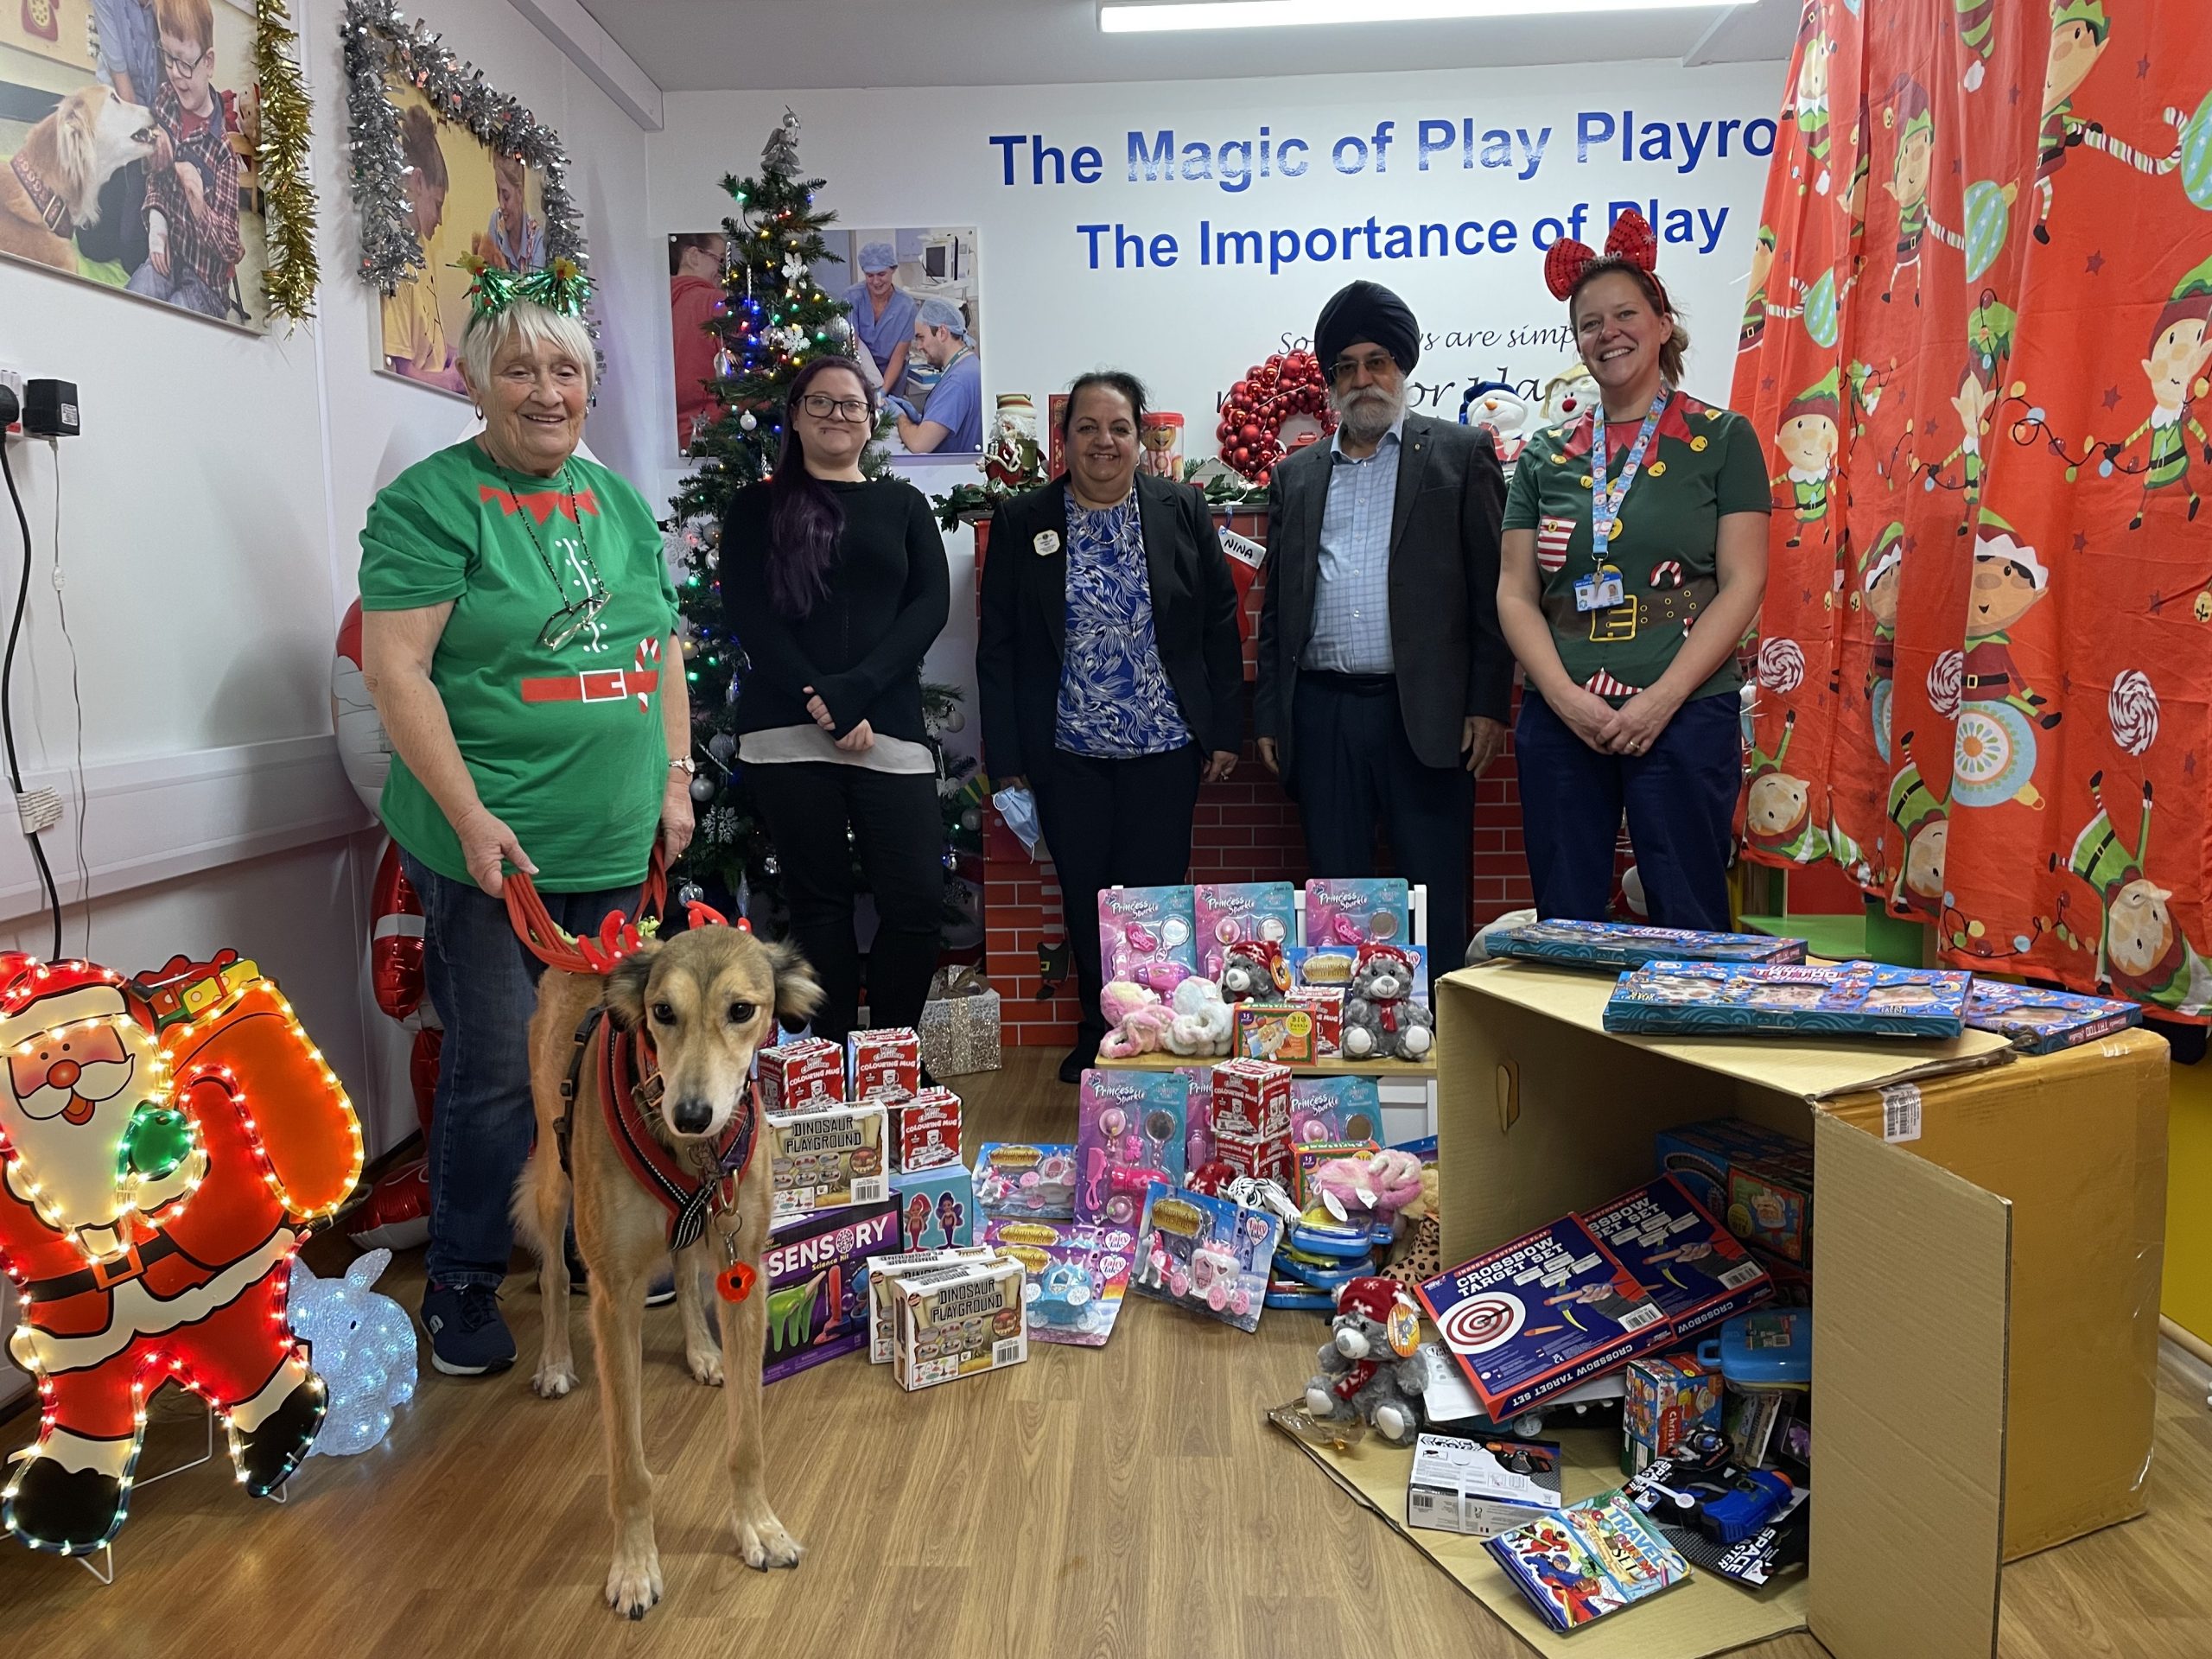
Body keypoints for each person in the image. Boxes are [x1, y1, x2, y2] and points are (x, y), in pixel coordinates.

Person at [358, 264, 692, 1376]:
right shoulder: (428, 503)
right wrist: (467, 816)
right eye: (519, 369)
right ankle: (459, 1284)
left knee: (613, 1064)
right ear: (474, 383)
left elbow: (661, 655)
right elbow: (396, 668)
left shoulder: (619, 504)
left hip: (615, 849)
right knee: (501, 1067)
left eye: (566, 369)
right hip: (496, 856)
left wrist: (676, 782)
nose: (546, 391)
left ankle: (598, 1252)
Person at [1497, 212, 1769, 931]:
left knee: (1690, 918)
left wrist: (1660, 700)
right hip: (1563, 719)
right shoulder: (1544, 454)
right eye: (1590, 323)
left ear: (1660, 323)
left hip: (1687, 710)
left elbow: (1743, 582)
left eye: (1625, 314)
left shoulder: (1723, 439)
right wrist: (1563, 697)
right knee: (1565, 923)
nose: (1607, 332)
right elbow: (1516, 594)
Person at [978, 372, 1243, 1082]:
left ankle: (1156, 1029)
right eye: (1087, 428)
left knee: (1154, 898)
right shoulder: (1022, 520)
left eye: (1119, 428)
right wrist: (1006, 758)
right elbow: (997, 646)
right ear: (1063, 440)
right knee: (1085, 893)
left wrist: (1223, 731)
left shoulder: (1182, 508)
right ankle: (1100, 1028)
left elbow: (1220, 622)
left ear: (1140, 437)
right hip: (1067, 749)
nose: (1104, 441)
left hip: (1165, 743)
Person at [1254, 280, 1512, 976]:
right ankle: (1346, 1039)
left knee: (1434, 891)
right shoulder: (1299, 474)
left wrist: (1488, 704)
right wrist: (1273, 714)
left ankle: (1445, 1047)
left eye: (1377, 362)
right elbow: (1280, 603)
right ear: (1331, 381)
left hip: (1426, 715)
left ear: (1402, 367)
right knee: (1335, 893)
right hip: (1324, 712)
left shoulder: (1458, 453)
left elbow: (1495, 592)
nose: (1363, 379)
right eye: (1346, 366)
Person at [719, 355, 951, 1046]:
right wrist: (822, 700)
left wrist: (855, 693)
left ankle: (892, 1058)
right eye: (820, 403)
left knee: (915, 905)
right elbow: (750, 615)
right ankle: (832, 1063)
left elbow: (929, 606)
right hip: (787, 730)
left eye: (851, 405)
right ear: (794, 415)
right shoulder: (757, 507)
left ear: (871, 420)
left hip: (889, 725)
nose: (836, 416)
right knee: (818, 906)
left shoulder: (903, 505)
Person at [125, 0, 240, 320]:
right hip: (170, 254)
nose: (176, 74)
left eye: (186, 64)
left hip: (206, 284)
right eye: (168, 57)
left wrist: (200, 207)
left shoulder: (223, 152)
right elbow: (156, 179)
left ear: (209, 62)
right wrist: (158, 227)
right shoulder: (165, 100)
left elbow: (232, 247)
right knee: (133, 302)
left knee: (170, 322)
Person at [381, 106, 466, 391]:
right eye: (438, 204)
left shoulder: (420, 245)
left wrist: (450, 353)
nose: (440, 219)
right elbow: (403, 371)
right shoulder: (395, 256)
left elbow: (425, 340)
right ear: (417, 181)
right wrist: (451, 382)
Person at [82, 0, 160, 274]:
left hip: (158, 112)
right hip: (123, 108)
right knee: (95, 246)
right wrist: (145, 136)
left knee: (134, 254)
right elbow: (122, 82)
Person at [893, 296, 982, 453]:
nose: (919, 346)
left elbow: (919, 444)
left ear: (942, 332)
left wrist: (900, 417)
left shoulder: (958, 381)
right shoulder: (967, 365)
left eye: (921, 338)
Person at [670, 231, 726, 451]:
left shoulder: (656, 301)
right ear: (693, 256)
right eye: (720, 260)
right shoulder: (715, 302)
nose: (722, 272)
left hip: (668, 437)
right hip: (713, 434)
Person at [842, 240, 918, 396]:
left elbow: (898, 356)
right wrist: (863, 386)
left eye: (881, 274)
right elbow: (853, 346)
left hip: (892, 375)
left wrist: (882, 391)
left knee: (890, 414)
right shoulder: (852, 297)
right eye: (870, 275)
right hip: (860, 370)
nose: (876, 281)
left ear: (893, 270)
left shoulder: (906, 306)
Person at [478, 150, 543, 272]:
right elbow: (488, 279)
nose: (501, 204)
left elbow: (537, 289)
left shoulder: (536, 237)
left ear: (519, 194)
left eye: (506, 196)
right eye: (498, 192)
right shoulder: (496, 221)